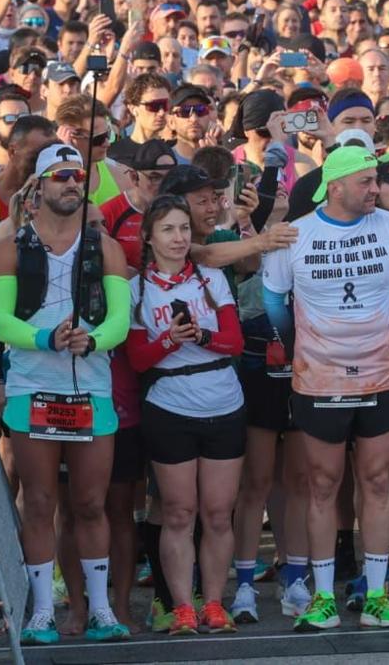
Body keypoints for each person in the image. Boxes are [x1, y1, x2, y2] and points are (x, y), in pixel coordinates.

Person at [260, 143, 389, 631]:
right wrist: (297, 353)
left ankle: (376, 595)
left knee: (377, 482)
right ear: (335, 186)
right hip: (320, 379)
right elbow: (274, 302)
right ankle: (322, 597)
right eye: (366, 182)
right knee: (322, 486)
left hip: (383, 373)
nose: (376, 189)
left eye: (376, 181)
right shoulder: (298, 234)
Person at [0, 142, 133, 643]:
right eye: (61, 176)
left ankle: (100, 611)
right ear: (39, 186)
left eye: (78, 176)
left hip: (91, 391)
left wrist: (92, 339)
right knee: (40, 502)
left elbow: (120, 319)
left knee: (92, 503)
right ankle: (42, 611)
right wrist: (46, 338)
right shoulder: (10, 246)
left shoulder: (105, 246)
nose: (72, 183)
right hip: (34, 390)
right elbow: (0, 321)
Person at [125, 192, 247, 634]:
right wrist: (171, 341)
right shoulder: (136, 288)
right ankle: (180, 607)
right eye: (168, 230)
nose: (178, 238)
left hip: (223, 401)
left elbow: (234, 342)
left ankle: (214, 603)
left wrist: (202, 335)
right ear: (149, 237)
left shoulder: (210, 278)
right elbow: (137, 358)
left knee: (218, 513)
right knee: (179, 511)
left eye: (183, 229)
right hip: (169, 406)